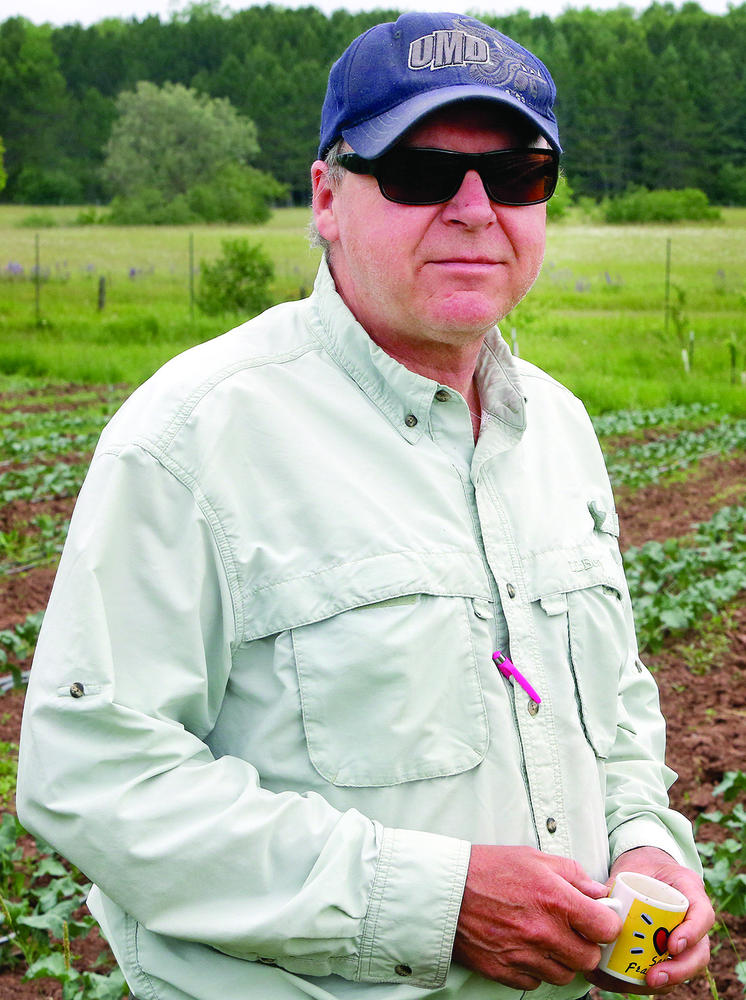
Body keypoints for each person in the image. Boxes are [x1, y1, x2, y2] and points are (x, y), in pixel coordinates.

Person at [17, 11, 713, 1000]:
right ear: (325, 198)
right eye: (419, 172)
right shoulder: (195, 437)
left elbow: (613, 712)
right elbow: (91, 773)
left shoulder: (556, 430)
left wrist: (647, 845)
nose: (475, 208)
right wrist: (433, 900)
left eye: (517, 173)